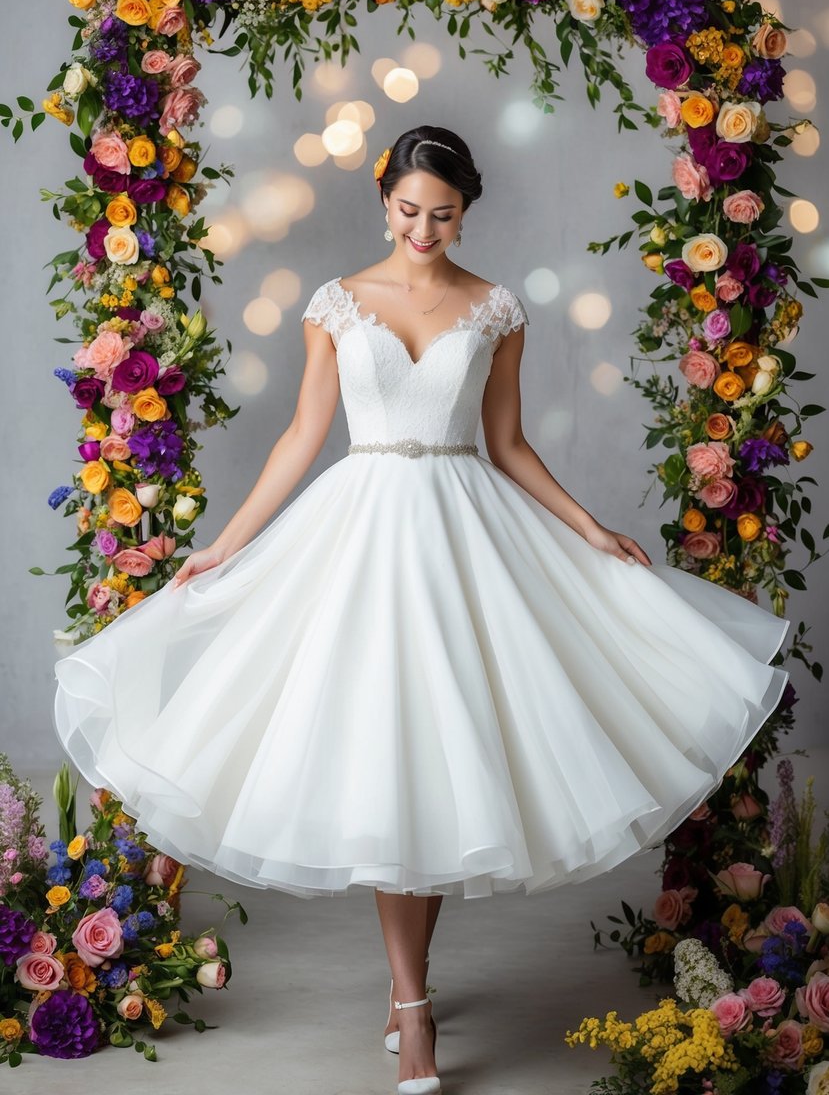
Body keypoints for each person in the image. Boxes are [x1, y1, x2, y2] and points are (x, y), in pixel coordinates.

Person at [54, 125, 791, 1095]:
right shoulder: (335, 306)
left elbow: (509, 444)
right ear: (382, 197)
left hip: (462, 536)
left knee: (435, 776)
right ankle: (412, 1011)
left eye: (442, 214)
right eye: (408, 210)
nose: (423, 229)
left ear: (465, 210)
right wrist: (225, 544)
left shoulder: (495, 309)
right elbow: (301, 437)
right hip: (356, 539)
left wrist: (586, 524)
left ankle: (410, 997)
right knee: (384, 760)